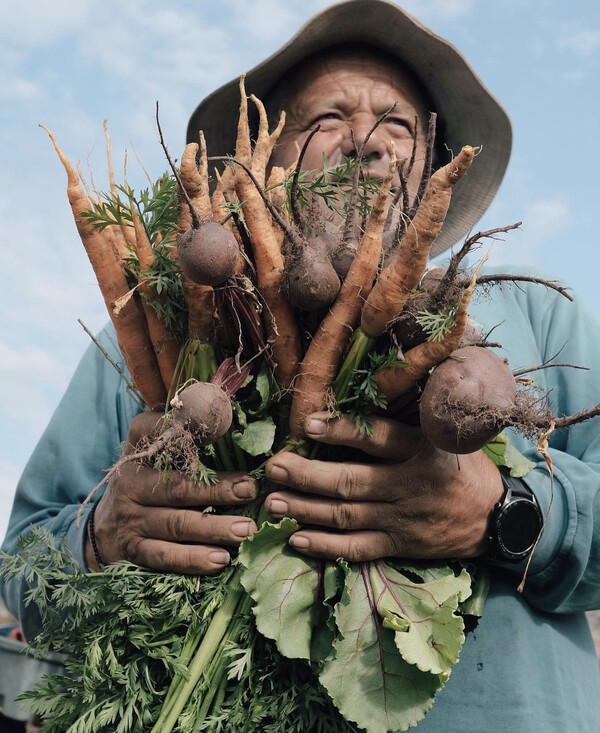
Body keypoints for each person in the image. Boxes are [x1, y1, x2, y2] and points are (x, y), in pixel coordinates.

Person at [2, 1, 600, 731]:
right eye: (326, 119)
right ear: (265, 161)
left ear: (434, 165)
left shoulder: (536, 313)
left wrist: (506, 512)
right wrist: (100, 535)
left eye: (398, 125)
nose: (365, 143)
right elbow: (22, 561)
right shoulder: (163, 322)